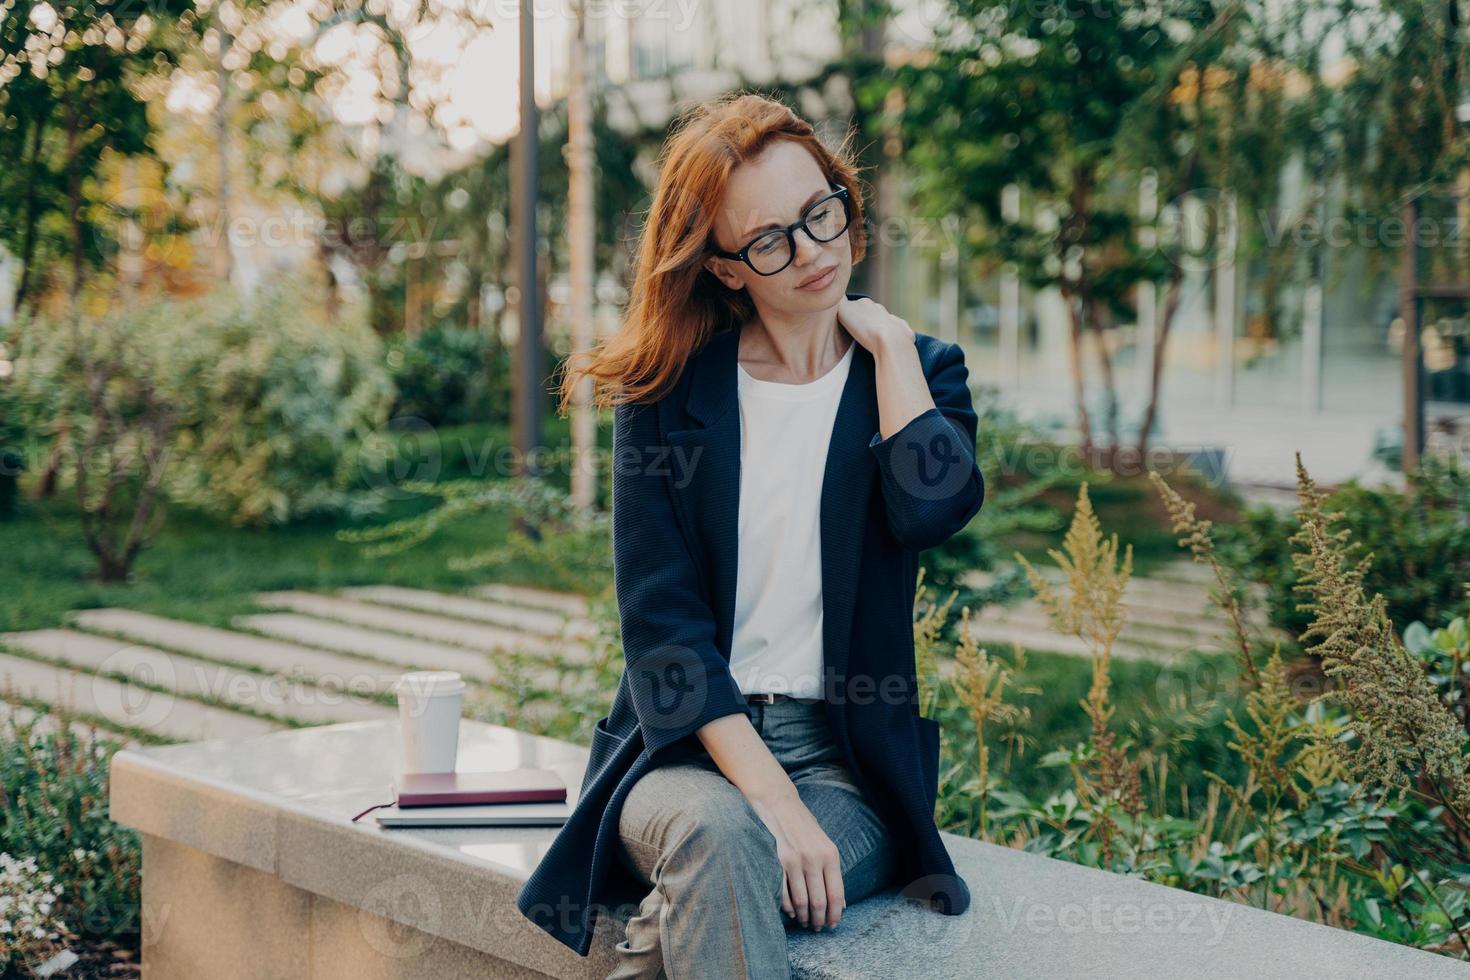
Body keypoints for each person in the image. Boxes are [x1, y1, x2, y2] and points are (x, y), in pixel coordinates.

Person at [517, 91, 985, 979]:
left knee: (714, 892)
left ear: (846, 201)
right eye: (771, 239)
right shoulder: (665, 398)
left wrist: (885, 348)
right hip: (688, 752)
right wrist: (771, 799)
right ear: (727, 268)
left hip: (846, 767)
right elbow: (663, 633)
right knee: (720, 838)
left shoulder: (918, 372)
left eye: (821, 214)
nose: (812, 251)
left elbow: (935, 511)